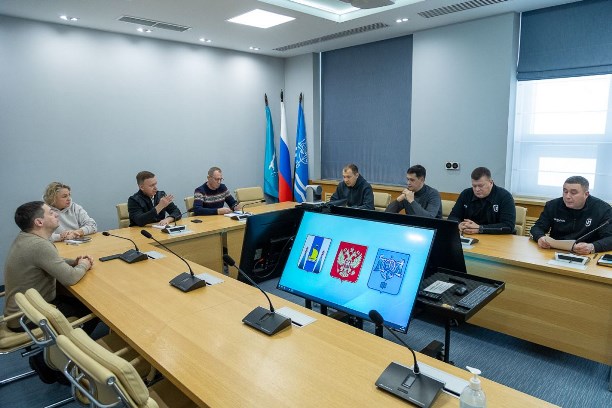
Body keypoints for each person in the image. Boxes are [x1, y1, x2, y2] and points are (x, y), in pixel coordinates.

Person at [3, 201, 96, 384]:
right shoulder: (40, 245)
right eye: (51, 213)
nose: (56, 214)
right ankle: (51, 363)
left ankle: (54, 355)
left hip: (20, 310)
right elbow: (70, 278)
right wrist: (84, 265)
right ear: (39, 222)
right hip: (27, 317)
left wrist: (73, 262)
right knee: (94, 311)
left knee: (77, 302)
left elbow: (50, 261)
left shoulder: (26, 238)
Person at [530, 176, 612, 255]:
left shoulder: (603, 209)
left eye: (573, 193)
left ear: (586, 194)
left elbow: (610, 238)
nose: (567, 196)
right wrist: (539, 237)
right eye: (565, 191)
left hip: (586, 254)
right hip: (555, 252)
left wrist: (592, 247)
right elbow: (537, 228)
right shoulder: (553, 205)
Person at [448, 167, 515, 234]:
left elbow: (508, 226)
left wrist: (480, 228)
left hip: (496, 237)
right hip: (469, 235)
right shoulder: (466, 194)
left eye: (481, 186)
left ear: (491, 182)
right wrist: (459, 225)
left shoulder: (505, 196)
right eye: (474, 186)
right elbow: (453, 217)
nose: (477, 189)